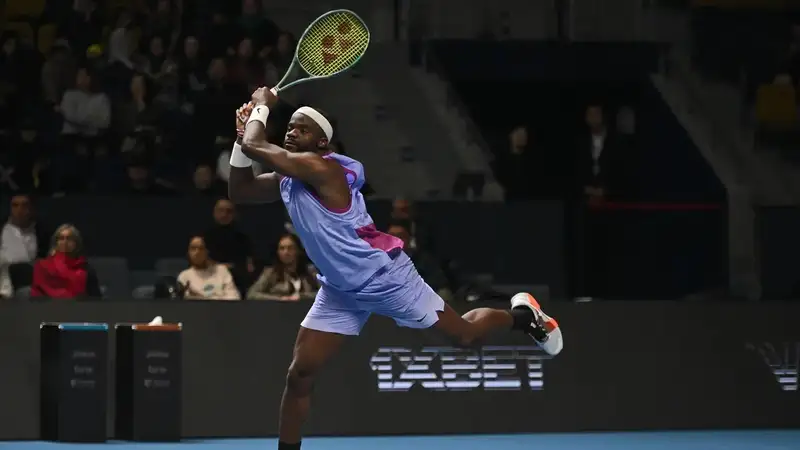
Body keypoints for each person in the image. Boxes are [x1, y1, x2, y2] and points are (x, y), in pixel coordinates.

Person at [228, 87, 564, 450]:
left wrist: (261, 109)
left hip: (386, 278)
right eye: (290, 127)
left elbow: (257, 145)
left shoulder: (323, 168)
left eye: (302, 129)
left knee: (466, 337)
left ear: (322, 144)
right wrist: (240, 139)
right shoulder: (287, 180)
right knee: (300, 374)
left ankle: (523, 316)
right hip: (340, 290)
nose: (292, 132)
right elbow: (240, 190)